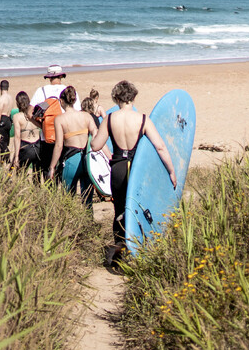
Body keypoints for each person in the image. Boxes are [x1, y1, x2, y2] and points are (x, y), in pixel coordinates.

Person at [91, 80, 177, 264]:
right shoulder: (143, 119)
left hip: (118, 168)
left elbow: (96, 145)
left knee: (119, 210)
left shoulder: (110, 118)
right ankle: (140, 251)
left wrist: (96, 132)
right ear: (134, 97)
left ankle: (119, 255)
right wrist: (171, 171)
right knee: (139, 208)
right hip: (138, 169)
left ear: (116, 98)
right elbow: (160, 147)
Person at [48, 86, 100, 209]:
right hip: (87, 160)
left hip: (71, 160)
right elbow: (96, 134)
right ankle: (89, 225)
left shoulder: (59, 119)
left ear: (61, 101)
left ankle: (71, 226)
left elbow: (59, 145)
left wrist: (52, 167)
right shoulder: (86, 116)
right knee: (88, 201)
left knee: (68, 200)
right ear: (75, 100)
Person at [27, 65, 81, 174]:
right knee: (63, 170)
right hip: (67, 136)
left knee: (47, 170)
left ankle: (50, 190)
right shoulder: (69, 91)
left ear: (49, 77)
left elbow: (29, 114)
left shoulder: (41, 91)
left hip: (47, 137)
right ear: (61, 76)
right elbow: (78, 112)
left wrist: (42, 126)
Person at [11, 91, 42, 172]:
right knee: (37, 176)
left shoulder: (17, 117)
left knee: (20, 174)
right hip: (38, 146)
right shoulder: (34, 113)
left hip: (26, 147)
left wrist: (16, 156)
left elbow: (17, 137)